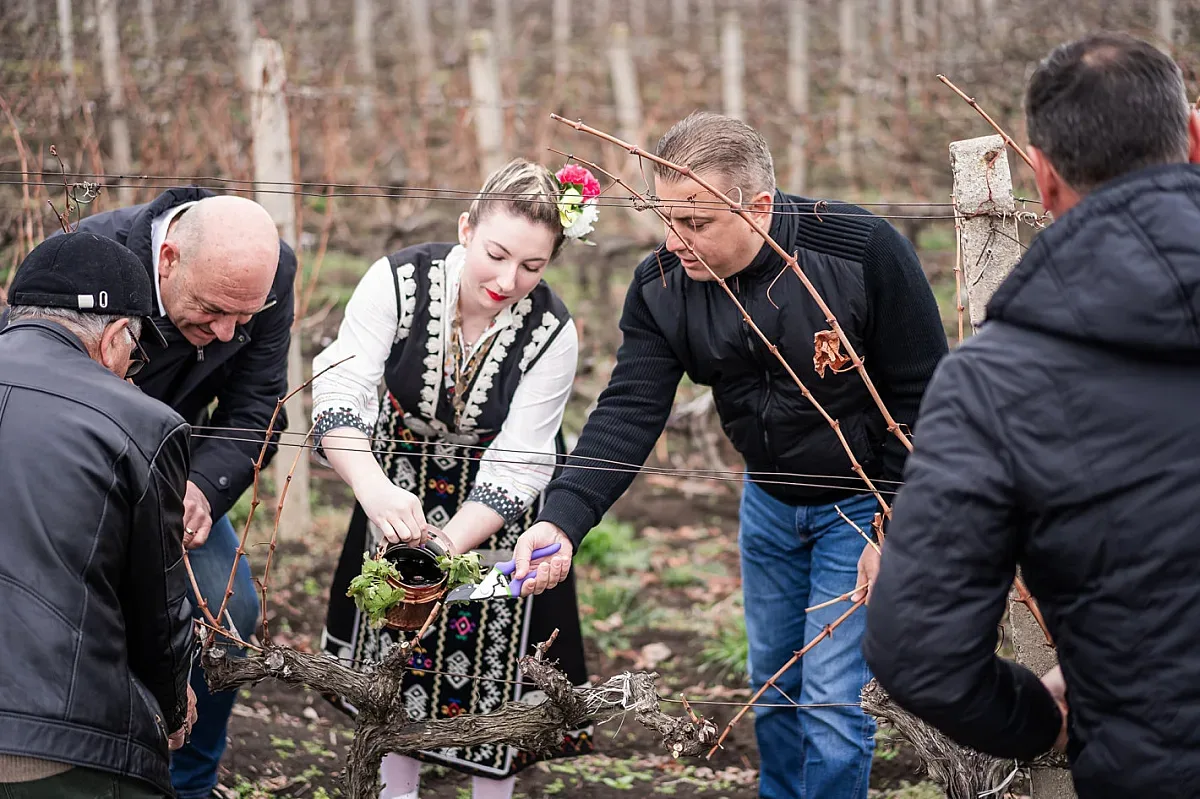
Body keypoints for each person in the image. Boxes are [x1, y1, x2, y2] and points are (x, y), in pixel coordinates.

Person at [511, 112, 948, 799]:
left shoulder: (861, 253)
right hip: (769, 505)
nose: (674, 238)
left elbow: (925, 394)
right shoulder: (662, 286)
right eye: (665, 217)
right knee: (773, 687)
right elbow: (629, 407)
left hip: (861, 506)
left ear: (760, 207)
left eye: (697, 222)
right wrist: (562, 519)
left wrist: (895, 523)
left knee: (833, 708)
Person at [863, 32, 1200, 799]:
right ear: (1192, 138)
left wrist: (1039, 718)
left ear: (1042, 179)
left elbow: (917, 646)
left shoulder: (993, 381)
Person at [312, 158, 596, 799]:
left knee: (493, 666)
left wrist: (445, 549)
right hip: (396, 478)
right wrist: (374, 489)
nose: (508, 279)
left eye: (532, 266)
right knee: (393, 648)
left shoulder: (553, 330)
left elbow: (523, 457)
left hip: (500, 506)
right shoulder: (396, 281)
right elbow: (342, 388)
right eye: (497, 254)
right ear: (466, 228)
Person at [63, 189, 293, 799]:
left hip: (176, 476)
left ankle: (187, 781)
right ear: (166, 258)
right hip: (76, 468)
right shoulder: (87, 256)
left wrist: (200, 488)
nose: (224, 334)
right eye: (214, 310)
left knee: (232, 612)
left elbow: (256, 407)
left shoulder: (265, 275)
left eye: (242, 319)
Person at [0, 232, 197, 797]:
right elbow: (156, 611)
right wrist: (170, 704)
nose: (129, 371)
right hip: (59, 754)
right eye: (133, 355)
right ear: (115, 337)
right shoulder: (141, 422)